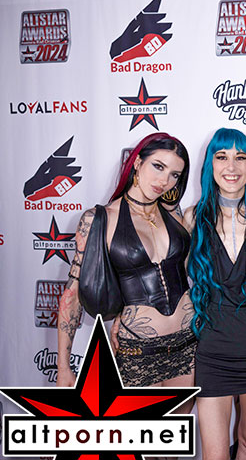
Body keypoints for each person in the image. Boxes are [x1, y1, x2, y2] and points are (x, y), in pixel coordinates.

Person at [57, 133, 195, 408]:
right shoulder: (99, 219)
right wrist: (63, 367)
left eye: (174, 175)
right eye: (158, 166)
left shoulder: (174, 215)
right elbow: (72, 295)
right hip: (139, 350)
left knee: (178, 433)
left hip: (187, 344)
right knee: (144, 432)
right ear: (137, 162)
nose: (164, 181)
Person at [186, 128, 246, 460]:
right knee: (214, 454)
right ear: (210, 165)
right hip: (212, 351)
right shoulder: (192, 219)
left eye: (241, 157)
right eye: (222, 156)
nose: (231, 166)